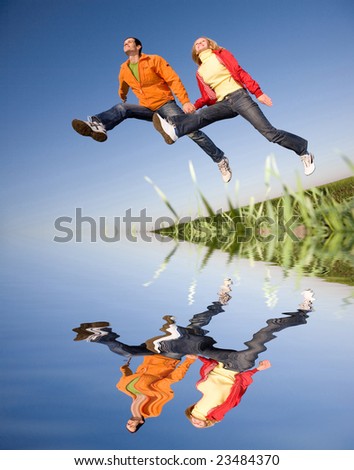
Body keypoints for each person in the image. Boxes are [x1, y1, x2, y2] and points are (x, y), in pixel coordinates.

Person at [72, 37, 232, 182]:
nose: (125, 44)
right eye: (124, 43)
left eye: (129, 42)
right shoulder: (124, 68)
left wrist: (185, 101)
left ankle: (220, 159)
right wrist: (122, 95)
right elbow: (123, 84)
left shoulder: (154, 60)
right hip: (146, 108)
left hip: (165, 104)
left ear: (138, 46)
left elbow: (173, 79)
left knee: (192, 131)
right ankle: (98, 125)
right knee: (122, 108)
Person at [153, 37, 315, 176]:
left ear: (210, 44)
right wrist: (195, 105)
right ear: (195, 51)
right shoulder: (200, 72)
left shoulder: (221, 54)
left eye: (203, 41)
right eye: (197, 43)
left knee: (270, 134)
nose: (200, 43)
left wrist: (258, 92)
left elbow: (239, 71)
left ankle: (303, 151)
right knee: (201, 116)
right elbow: (208, 96)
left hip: (239, 97)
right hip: (224, 104)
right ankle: (175, 128)